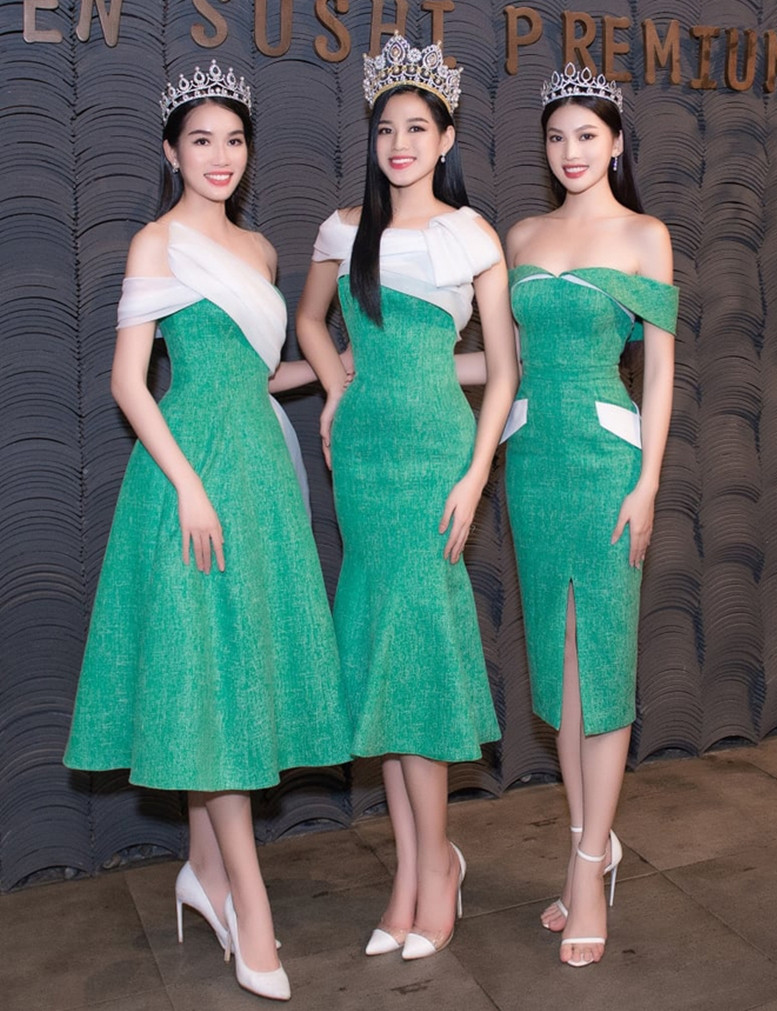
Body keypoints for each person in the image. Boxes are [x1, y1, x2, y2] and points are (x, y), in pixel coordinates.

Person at [63, 60, 352, 1001]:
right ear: (170, 150)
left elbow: (253, 375)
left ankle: (203, 870)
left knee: (225, 669)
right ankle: (250, 908)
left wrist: (335, 368)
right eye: (201, 140)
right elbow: (128, 381)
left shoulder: (262, 251)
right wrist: (187, 485)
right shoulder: (156, 242)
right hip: (188, 476)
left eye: (233, 140)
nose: (219, 156)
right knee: (208, 672)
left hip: (261, 472)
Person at [296, 35, 518, 961]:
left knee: (419, 665)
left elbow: (504, 370)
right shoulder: (343, 230)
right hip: (364, 462)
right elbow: (310, 321)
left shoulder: (472, 235)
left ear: (446, 137)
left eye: (417, 128)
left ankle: (436, 871)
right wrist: (335, 391)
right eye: (387, 128)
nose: (400, 144)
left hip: (436, 459)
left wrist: (475, 474)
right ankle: (410, 873)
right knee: (383, 665)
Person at [504, 64, 678, 968]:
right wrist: (366, 374)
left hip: (609, 463)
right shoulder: (523, 234)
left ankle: (584, 869)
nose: (570, 151)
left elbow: (662, 371)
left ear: (614, 143)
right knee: (561, 663)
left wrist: (647, 484)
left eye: (586, 135)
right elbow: (503, 365)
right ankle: (590, 843)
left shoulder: (646, 236)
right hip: (532, 461)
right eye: (556, 136)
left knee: (601, 662)